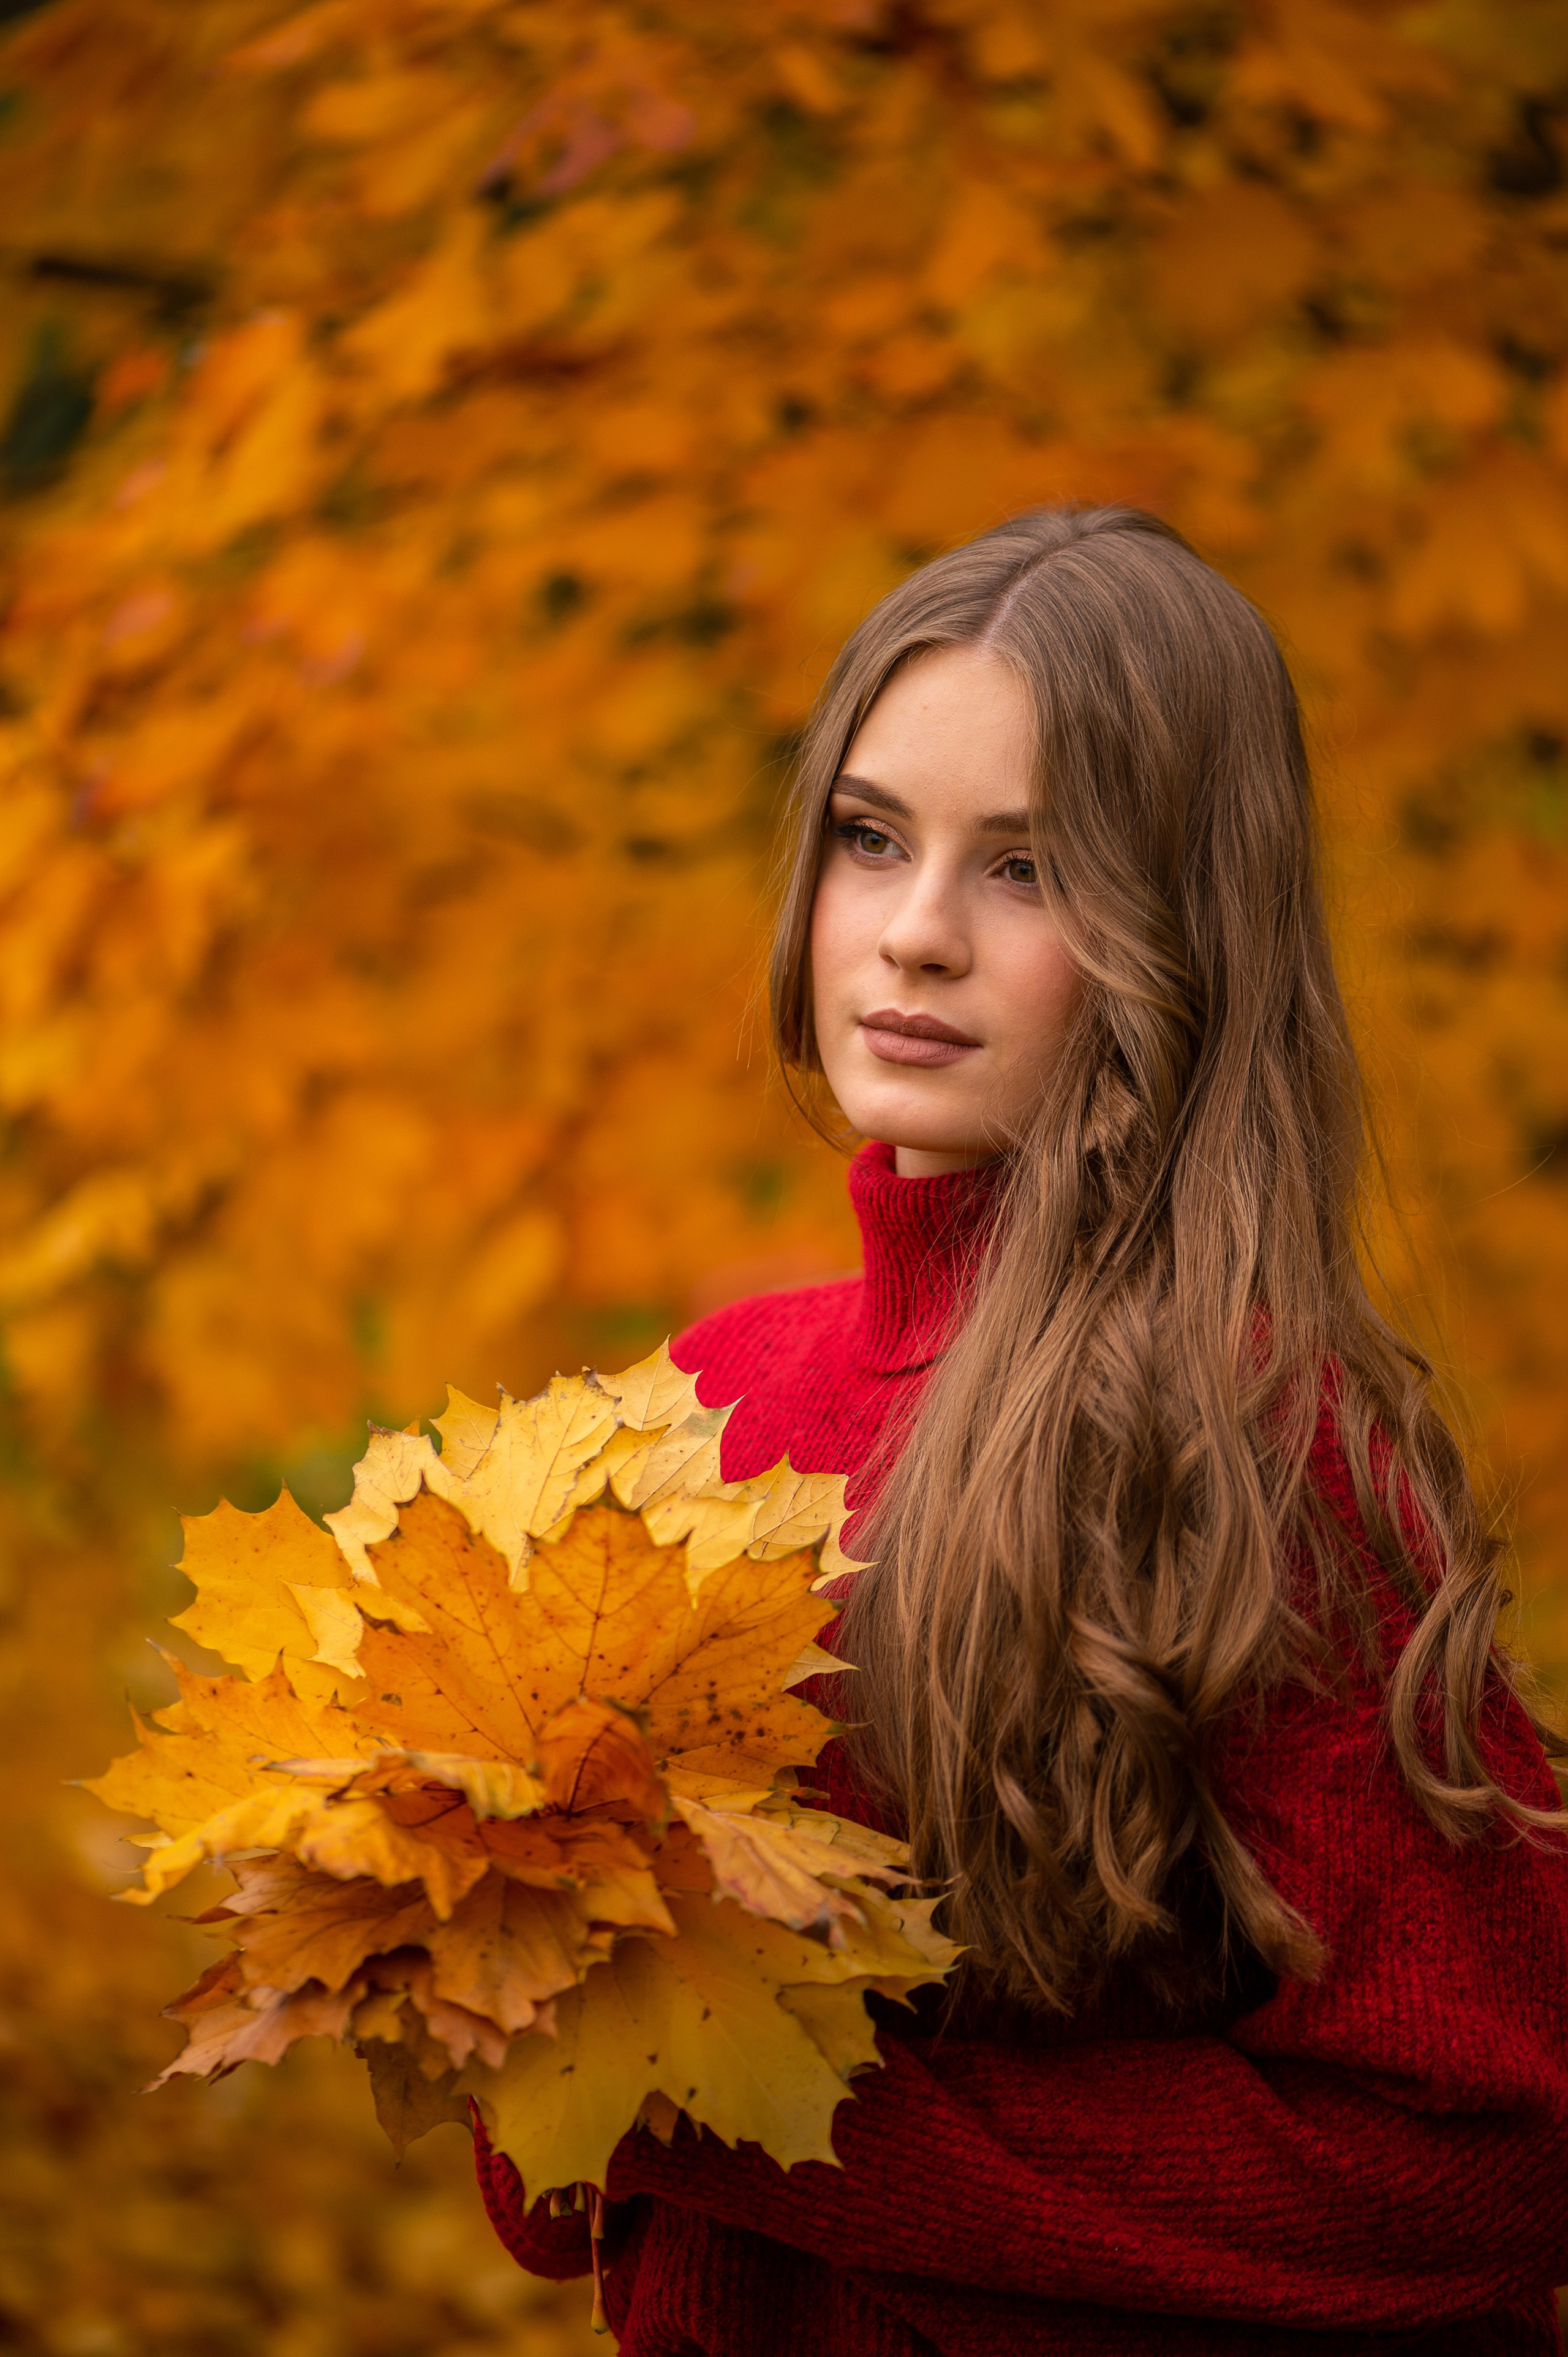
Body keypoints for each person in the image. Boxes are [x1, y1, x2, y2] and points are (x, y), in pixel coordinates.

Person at [472, 505, 1568, 2353]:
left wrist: (763, 2114)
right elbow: (559, 2183)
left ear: (1178, 931)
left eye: (1030, 870)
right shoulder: (708, 1401)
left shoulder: (1250, 1441)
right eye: (873, 837)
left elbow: (1494, 2148)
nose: (914, 934)